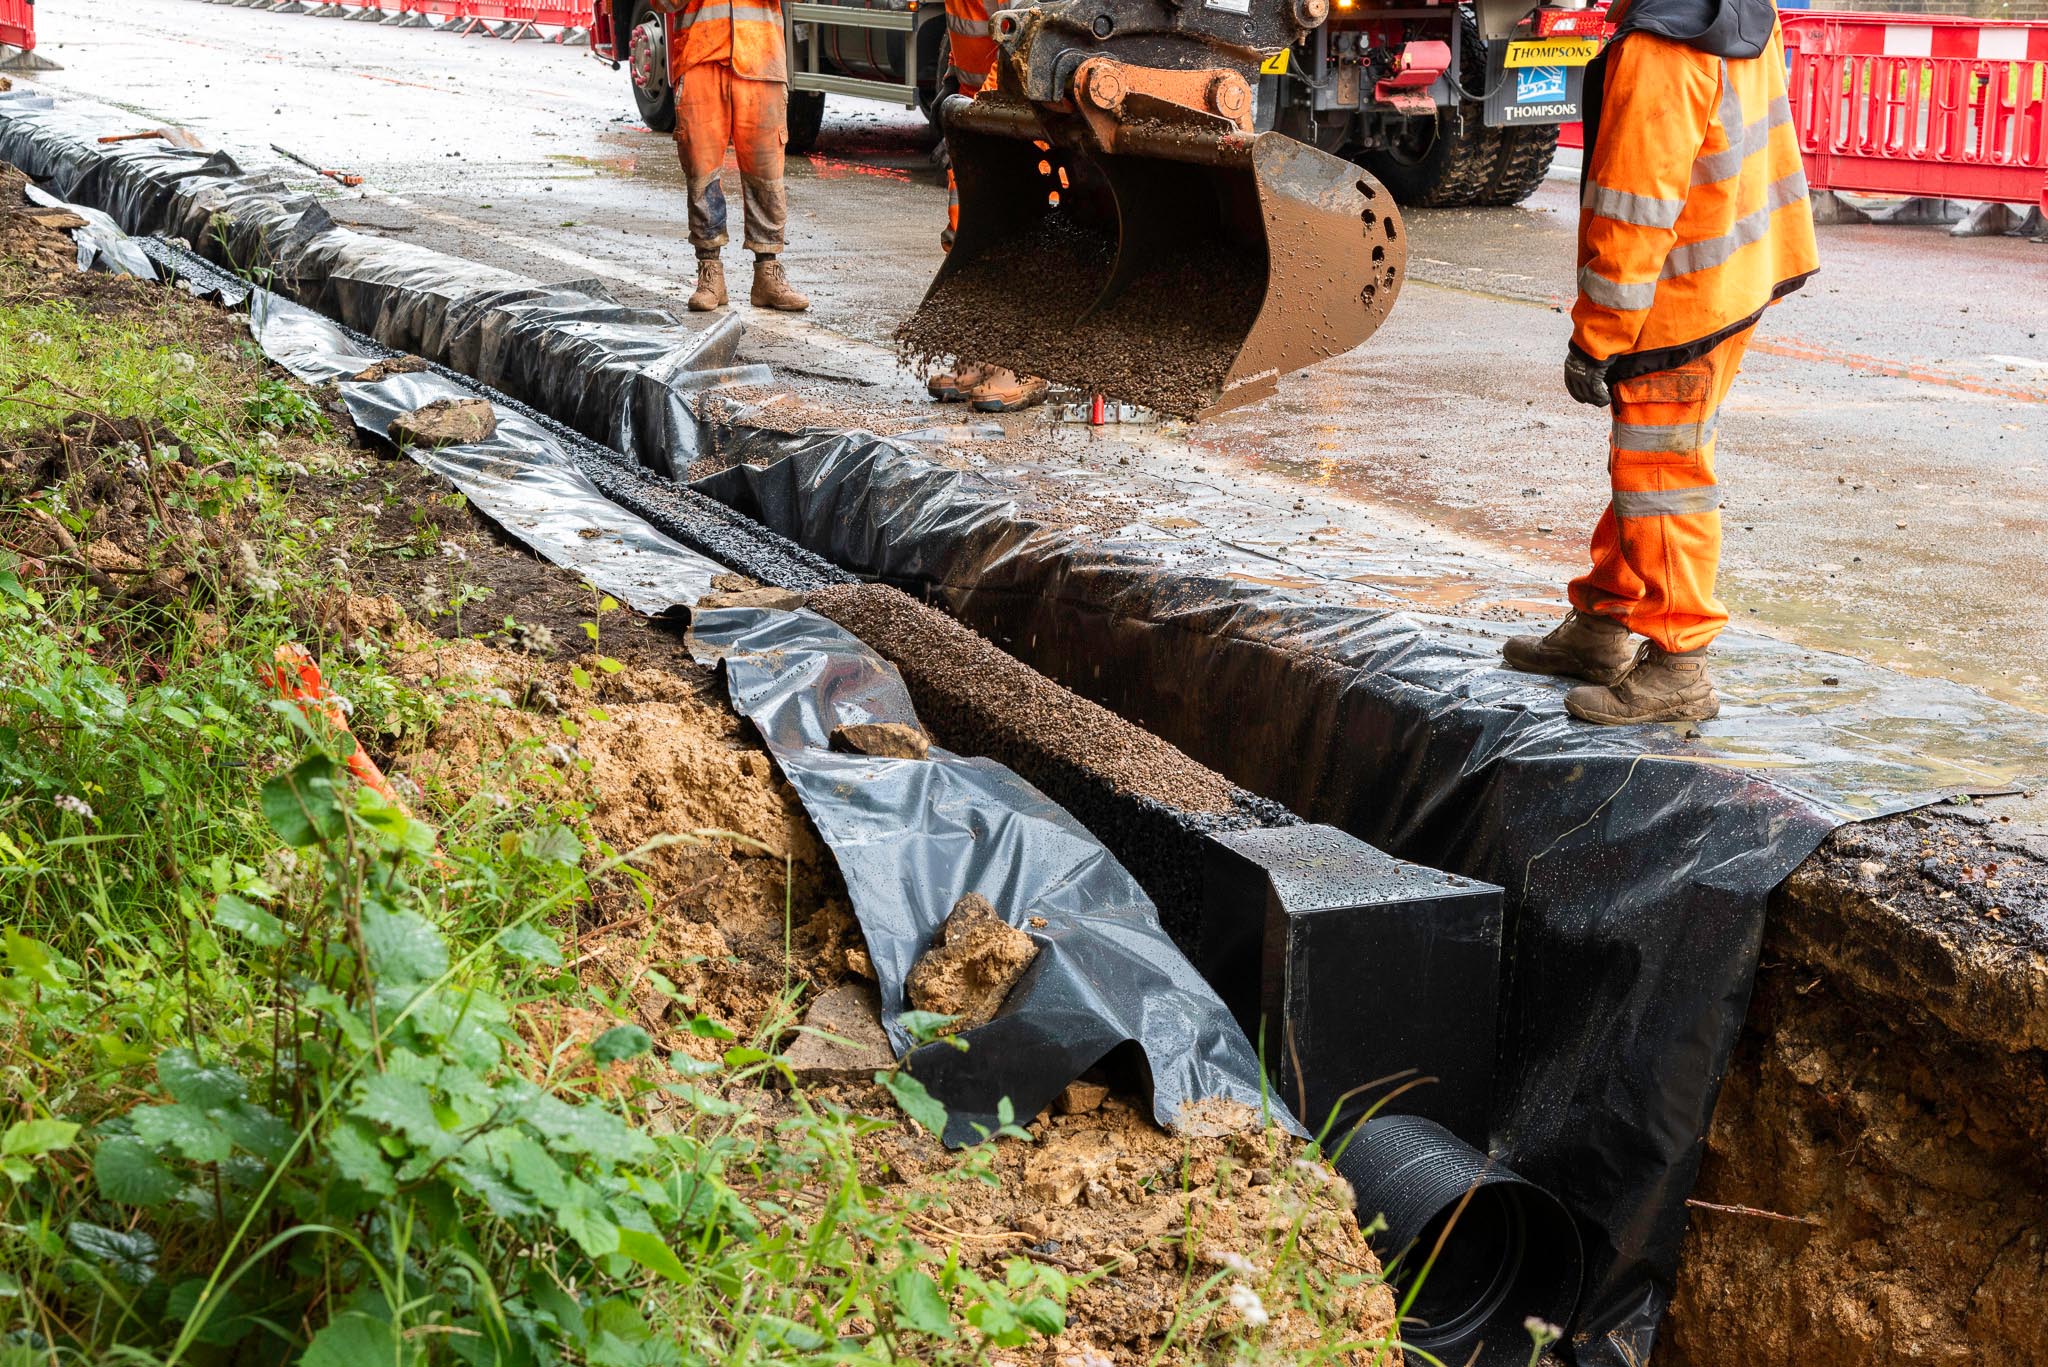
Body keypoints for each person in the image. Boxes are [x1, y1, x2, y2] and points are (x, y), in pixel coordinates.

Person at [1502, 0, 1817, 724]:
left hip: (1677, 306)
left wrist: (1597, 337)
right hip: (1733, 277)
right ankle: (1606, 622)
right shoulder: (1738, 9)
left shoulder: (1659, 48)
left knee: (1662, 475)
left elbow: (1634, 212)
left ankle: (1679, 664)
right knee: (1642, 468)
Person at [924, 0, 1050, 413]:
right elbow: (973, 32)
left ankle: (1024, 363)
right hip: (981, 108)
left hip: (1026, 110)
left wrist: (983, 109)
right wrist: (952, 80)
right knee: (971, 235)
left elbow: (1034, 31)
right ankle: (983, 352)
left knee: (1024, 237)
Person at [657, 0, 809, 313]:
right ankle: (710, 273)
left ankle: (768, 272)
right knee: (701, 169)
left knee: (766, 170)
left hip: (761, 57)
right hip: (700, 58)